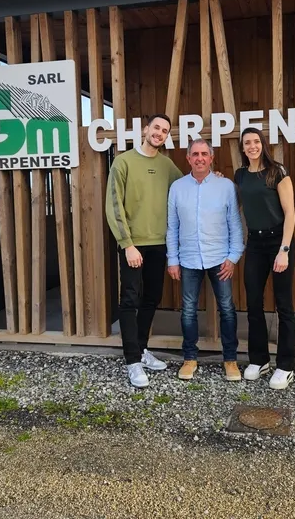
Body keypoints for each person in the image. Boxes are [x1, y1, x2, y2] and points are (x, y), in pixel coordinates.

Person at [105, 114, 183, 388]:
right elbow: (114, 206)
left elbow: (185, 188)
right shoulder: (123, 161)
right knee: (129, 300)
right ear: (146, 129)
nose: (159, 133)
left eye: (164, 130)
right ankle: (132, 362)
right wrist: (127, 244)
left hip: (158, 244)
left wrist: (212, 178)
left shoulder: (166, 165)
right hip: (133, 245)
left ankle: (141, 349)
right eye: (156, 128)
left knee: (151, 298)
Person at [166, 139, 244, 382]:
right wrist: (173, 259)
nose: (199, 158)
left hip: (220, 258)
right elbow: (172, 227)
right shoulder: (177, 187)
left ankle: (230, 360)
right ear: (188, 159)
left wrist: (233, 257)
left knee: (227, 310)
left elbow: (235, 224)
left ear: (211, 158)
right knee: (188, 310)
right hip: (188, 259)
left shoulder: (225, 186)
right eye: (194, 154)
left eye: (204, 154)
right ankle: (190, 358)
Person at [233, 127, 295, 390]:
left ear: (263, 144)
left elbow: (290, 213)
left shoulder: (277, 171)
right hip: (256, 243)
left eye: (256, 141)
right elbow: (235, 203)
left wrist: (284, 250)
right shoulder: (240, 175)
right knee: (254, 304)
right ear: (243, 148)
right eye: (247, 143)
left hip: (278, 241)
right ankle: (259, 360)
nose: (252, 146)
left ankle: (286, 365)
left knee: (283, 304)